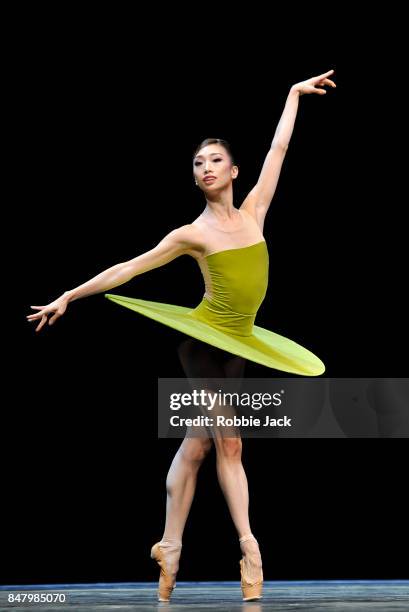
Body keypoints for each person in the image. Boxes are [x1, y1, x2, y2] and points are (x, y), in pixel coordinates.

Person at [27, 69, 336, 601]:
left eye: (216, 159)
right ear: (195, 178)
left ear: (234, 170)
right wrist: (69, 296)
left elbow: (280, 148)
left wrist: (291, 96)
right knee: (231, 445)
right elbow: (128, 268)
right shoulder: (192, 233)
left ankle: (169, 546)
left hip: (239, 344)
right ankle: (251, 549)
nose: (206, 167)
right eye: (198, 163)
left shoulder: (256, 210)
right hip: (202, 346)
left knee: (196, 447)